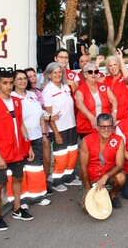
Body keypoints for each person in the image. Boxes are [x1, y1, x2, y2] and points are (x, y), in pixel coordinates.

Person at [0, 71, 35, 231]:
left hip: (17, 151)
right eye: (4, 83)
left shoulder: (17, 101)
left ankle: (17, 209)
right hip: (1, 153)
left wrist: (29, 146)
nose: (8, 86)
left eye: (10, 83)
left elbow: (21, 125)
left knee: (18, 179)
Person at [11, 70, 51, 206]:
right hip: (22, 140)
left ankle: (37, 196)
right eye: (19, 79)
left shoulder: (32, 95)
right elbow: (16, 122)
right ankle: (21, 199)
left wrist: (44, 134)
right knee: (21, 170)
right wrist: (26, 141)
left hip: (37, 137)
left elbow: (40, 115)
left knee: (36, 168)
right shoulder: (12, 98)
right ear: (14, 82)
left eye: (24, 78)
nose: (23, 81)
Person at [42, 62, 81, 192]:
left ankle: (69, 177)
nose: (58, 74)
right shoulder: (48, 90)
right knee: (61, 155)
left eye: (59, 72)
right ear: (49, 75)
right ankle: (57, 180)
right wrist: (56, 133)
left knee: (72, 152)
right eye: (55, 72)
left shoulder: (65, 86)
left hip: (71, 125)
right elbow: (48, 114)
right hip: (59, 128)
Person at [79, 114, 125, 210]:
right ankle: (93, 191)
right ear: (97, 127)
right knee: (87, 209)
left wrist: (106, 176)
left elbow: (120, 165)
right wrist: (88, 189)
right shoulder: (86, 140)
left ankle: (112, 195)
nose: (106, 129)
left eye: (109, 126)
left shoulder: (119, 140)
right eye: (103, 126)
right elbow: (83, 167)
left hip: (107, 175)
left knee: (121, 178)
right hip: (91, 177)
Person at [75, 63, 117, 138]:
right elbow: (79, 104)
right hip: (87, 127)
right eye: (90, 72)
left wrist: (114, 113)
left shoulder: (103, 87)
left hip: (104, 126)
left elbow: (113, 100)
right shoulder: (81, 89)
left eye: (96, 72)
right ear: (85, 75)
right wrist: (91, 117)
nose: (93, 74)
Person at [102, 49, 128, 123]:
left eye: (115, 64)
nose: (113, 67)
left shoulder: (124, 78)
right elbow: (92, 77)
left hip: (125, 117)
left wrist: (121, 59)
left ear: (119, 66)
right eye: (110, 65)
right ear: (108, 68)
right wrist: (97, 63)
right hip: (111, 118)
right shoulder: (107, 79)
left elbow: (127, 78)